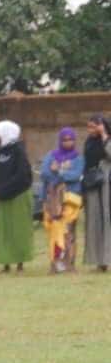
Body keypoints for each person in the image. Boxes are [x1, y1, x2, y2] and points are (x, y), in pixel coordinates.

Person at [0, 120, 34, 273]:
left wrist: (1, 190)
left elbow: (22, 176)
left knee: (18, 230)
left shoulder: (18, 151)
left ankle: (20, 263)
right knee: (4, 231)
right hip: (2, 197)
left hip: (18, 195)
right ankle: (6, 263)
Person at [39, 127, 84, 273]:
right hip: (53, 199)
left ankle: (69, 264)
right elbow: (44, 173)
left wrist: (58, 171)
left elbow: (76, 175)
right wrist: (60, 175)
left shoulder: (78, 158)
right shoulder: (51, 155)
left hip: (70, 199)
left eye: (70, 139)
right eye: (64, 140)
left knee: (68, 231)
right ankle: (55, 264)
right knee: (54, 230)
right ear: (60, 140)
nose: (67, 142)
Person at [82, 114, 111, 271]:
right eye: (89, 127)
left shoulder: (107, 139)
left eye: (93, 127)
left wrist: (104, 135)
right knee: (95, 221)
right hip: (93, 183)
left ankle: (108, 258)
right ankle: (100, 261)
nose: (90, 130)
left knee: (106, 219)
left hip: (106, 183)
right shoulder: (89, 142)